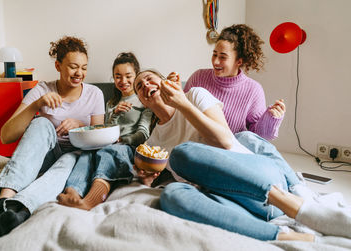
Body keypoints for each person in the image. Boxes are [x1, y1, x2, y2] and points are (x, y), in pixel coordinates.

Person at [133, 69, 351, 242]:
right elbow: (171, 177)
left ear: (164, 81)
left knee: (182, 153)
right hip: (238, 203)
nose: (145, 86)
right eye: (139, 87)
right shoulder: (153, 141)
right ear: (142, 101)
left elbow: (224, 140)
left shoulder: (194, 95)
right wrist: (147, 180)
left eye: (150, 79)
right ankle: (287, 235)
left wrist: (182, 103)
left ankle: (300, 208)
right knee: (172, 194)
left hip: (261, 181)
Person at [0, 36, 105, 238]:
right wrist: (37, 105)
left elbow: (100, 136)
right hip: (43, 156)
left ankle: (19, 210)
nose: (79, 73)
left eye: (84, 67)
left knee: (69, 159)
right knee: (41, 123)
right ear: (58, 65)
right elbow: (6, 136)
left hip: (73, 156)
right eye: (73, 67)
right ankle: (1, 205)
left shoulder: (94, 94)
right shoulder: (43, 89)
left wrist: (81, 125)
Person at [57, 52, 153, 210]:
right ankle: (73, 191)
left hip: (129, 148)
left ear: (136, 76)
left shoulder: (144, 100)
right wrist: (115, 114)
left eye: (128, 76)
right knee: (86, 153)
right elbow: (105, 129)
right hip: (108, 145)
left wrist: (122, 140)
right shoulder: (111, 103)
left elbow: (144, 134)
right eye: (118, 76)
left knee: (110, 152)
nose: (123, 81)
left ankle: (91, 200)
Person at [168, 24, 285, 140]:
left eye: (223, 57)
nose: (216, 62)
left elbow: (257, 136)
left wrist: (271, 118)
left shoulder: (253, 90)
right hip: (192, 147)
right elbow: (179, 118)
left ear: (239, 61)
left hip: (229, 153)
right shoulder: (198, 77)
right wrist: (176, 92)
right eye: (214, 54)